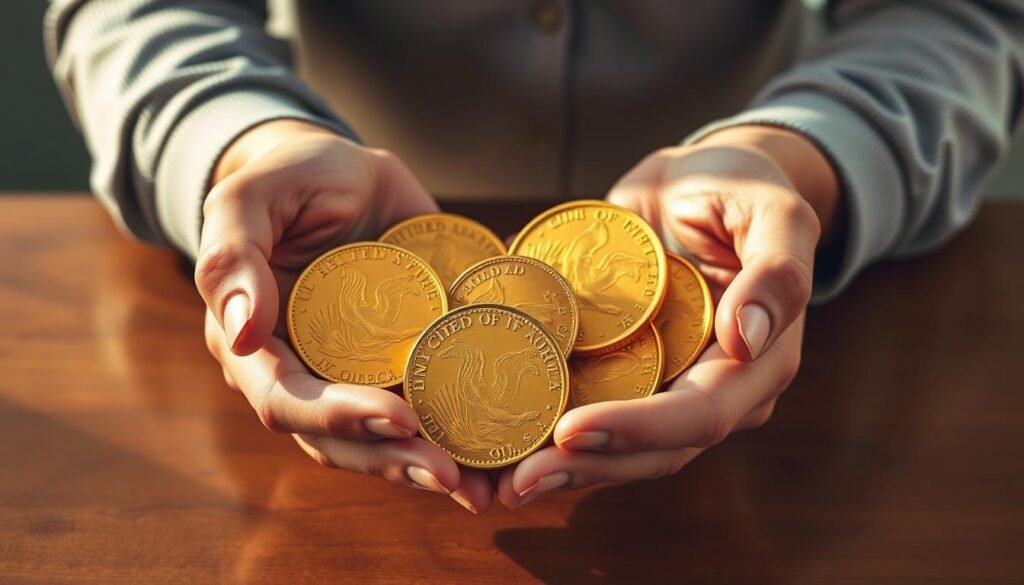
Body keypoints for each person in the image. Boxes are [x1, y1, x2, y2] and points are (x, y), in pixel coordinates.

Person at [46, 0, 1024, 514]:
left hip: (773, 301)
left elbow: (959, 15)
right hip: (324, 246)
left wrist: (805, 154)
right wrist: (239, 140)